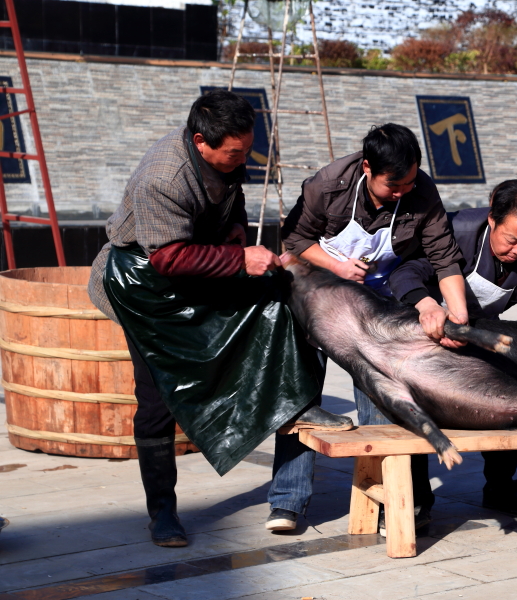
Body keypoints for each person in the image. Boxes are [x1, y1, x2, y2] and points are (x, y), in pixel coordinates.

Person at [88, 90, 351, 547]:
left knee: (281, 300)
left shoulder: (228, 158)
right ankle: (163, 513)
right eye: (234, 153)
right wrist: (237, 260)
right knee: (156, 398)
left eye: (247, 150)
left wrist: (237, 240)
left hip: (199, 260)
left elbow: (232, 212)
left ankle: (297, 404)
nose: (242, 159)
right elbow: (167, 258)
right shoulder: (163, 177)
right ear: (200, 142)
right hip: (142, 283)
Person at [280, 123, 467, 530]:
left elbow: (444, 258)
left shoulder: (422, 192)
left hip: (378, 302)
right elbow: (294, 240)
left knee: (385, 396)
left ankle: (392, 501)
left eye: (410, 182)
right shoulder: (328, 184)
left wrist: (458, 317)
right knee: (300, 395)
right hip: (317, 293)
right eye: (392, 185)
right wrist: (338, 265)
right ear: (367, 168)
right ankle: (287, 502)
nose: (402, 192)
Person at [389, 179, 517, 517]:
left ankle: (501, 488)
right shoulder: (455, 231)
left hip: (479, 334)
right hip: (422, 329)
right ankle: (416, 500)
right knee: (414, 412)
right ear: (492, 219)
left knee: (506, 398)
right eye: (512, 240)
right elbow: (405, 274)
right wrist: (427, 306)